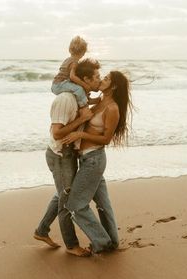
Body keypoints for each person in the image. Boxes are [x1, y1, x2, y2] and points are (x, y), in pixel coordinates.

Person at [34, 58, 102, 257]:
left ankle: (41, 231)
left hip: (68, 154)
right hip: (60, 156)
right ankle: (71, 246)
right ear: (85, 79)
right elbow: (57, 133)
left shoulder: (81, 98)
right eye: (97, 77)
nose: (99, 80)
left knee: (61, 194)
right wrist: (82, 119)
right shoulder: (65, 99)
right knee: (66, 201)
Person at [61, 70, 132, 253]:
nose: (102, 79)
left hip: (94, 159)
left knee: (75, 205)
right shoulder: (101, 102)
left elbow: (106, 139)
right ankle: (113, 241)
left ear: (113, 86)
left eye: (106, 79)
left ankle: (102, 242)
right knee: (103, 204)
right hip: (87, 160)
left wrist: (80, 134)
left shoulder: (112, 108)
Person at [51, 36, 90, 108]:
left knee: (77, 87)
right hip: (60, 85)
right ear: (83, 52)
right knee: (79, 89)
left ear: (70, 49)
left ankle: (86, 100)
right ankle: (84, 106)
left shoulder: (67, 59)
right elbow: (72, 76)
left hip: (55, 84)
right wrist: (84, 85)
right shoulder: (75, 62)